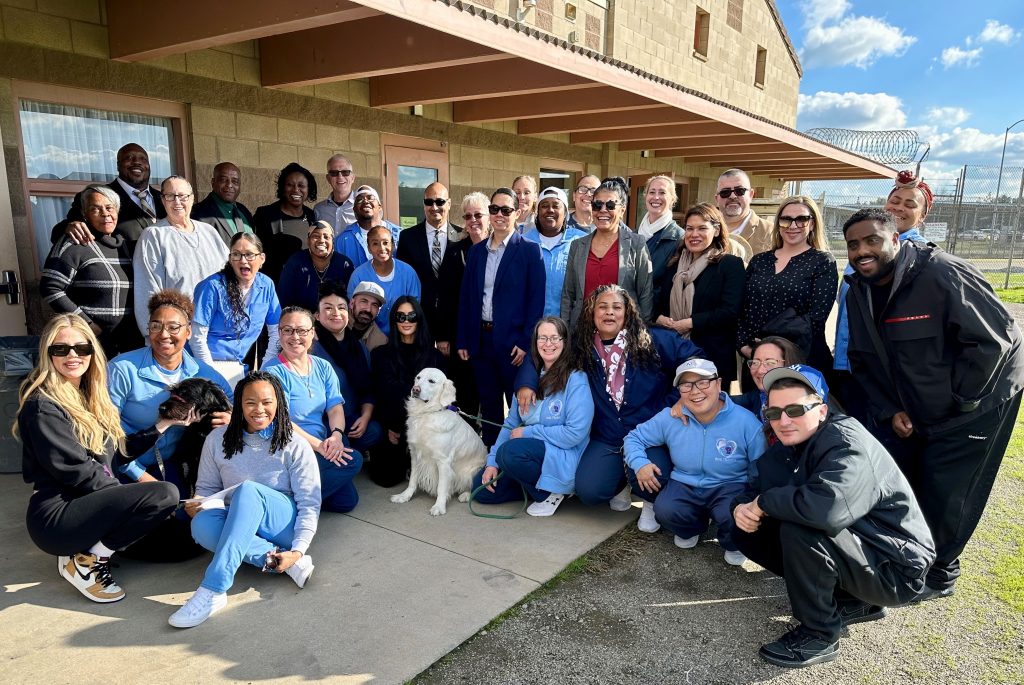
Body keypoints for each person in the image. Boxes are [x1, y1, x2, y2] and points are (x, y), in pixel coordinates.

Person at [844, 207, 1024, 601]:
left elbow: (993, 343)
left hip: (977, 402)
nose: (862, 251)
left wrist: (955, 406)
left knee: (950, 488)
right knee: (909, 479)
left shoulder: (942, 273)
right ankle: (911, 554)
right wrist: (893, 409)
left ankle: (941, 572)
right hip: (915, 405)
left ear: (895, 238)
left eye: (872, 240)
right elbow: (863, 358)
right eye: (854, 245)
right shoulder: (859, 289)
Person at [731, 365, 935, 668]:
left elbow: (826, 510)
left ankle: (820, 633)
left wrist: (763, 502)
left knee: (800, 527)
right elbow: (753, 489)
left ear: (822, 410)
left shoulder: (847, 441)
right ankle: (856, 601)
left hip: (895, 567)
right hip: (863, 550)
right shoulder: (788, 448)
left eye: (795, 409)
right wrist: (742, 507)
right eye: (774, 413)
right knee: (749, 529)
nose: (783, 421)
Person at [17, 314, 179, 603]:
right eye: (61, 349)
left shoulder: (87, 395)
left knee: (180, 544)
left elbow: (115, 452)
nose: (72, 356)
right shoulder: (42, 406)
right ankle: (86, 562)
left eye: (82, 348)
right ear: (48, 353)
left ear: (92, 352)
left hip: (92, 505)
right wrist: (132, 499)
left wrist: (163, 424)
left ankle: (88, 550)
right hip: (59, 515)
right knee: (165, 494)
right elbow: (77, 473)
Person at [519, 285, 702, 531]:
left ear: (627, 312)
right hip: (607, 435)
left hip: (649, 434)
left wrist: (683, 395)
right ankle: (622, 481)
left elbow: (695, 358)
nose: (609, 313)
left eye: (617, 307)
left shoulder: (652, 338)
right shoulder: (583, 345)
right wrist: (526, 383)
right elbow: (544, 354)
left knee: (656, 478)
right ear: (592, 312)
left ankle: (648, 500)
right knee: (590, 491)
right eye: (602, 307)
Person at [168, 372, 321, 628]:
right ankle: (275, 560)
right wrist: (199, 503)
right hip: (237, 515)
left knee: (248, 490)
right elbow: (207, 487)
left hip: (282, 521)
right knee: (201, 526)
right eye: (250, 402)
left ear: (278, 403)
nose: (258, 409)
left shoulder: (295, 443)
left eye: (266, 402)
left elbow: (309, 502)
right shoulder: (217, 439)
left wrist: (298, 548)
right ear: (238, 404)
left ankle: (213, 589)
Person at [624, 358, 764, 564]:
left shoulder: (746, 421)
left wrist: (756, 499)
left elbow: (760, 464)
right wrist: (640, 463)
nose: (695, 391)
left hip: (730, 484)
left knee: (736, 514)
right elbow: (633, 437)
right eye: (686, 385)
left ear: (718, 383)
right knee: (665, 509)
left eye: (703, 382)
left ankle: (733, 542)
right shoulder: (670, 417)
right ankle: (692, 528)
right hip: (685, 482)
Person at [832, 171, 933, 412]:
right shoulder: (865, 249)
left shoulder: (917, 257)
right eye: (895, 201)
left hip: (883, 371)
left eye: (910, 204)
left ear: (921, 217)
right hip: (849, 362)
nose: (899, 208)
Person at [473, 317, 594, 516]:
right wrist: (492, 462)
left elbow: (575, 433)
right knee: (482, 489)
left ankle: (550, 492)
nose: (548, 344)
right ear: (535, 342)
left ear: (565, 342)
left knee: (510, 453)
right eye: (542, 338)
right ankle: (533, 485)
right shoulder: (526, 381)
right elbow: (510, 424)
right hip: (529, 455)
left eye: (555, 338)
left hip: (561, 455)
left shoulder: (576, 380)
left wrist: (528, 432)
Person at [457, 187, 546, 446]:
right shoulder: (476, 252)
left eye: (506, 210)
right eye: (494, 209)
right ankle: (493, 460)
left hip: (512, 344)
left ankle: (515, 458)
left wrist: (525, 341)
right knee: (489, 405)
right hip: (481, 341)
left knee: (517, 407)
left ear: (517, 213)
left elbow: (535, 302)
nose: (499, 215)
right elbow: (467, 299)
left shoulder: (530, 251)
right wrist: (464, 338)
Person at [264, 307, 363, 513]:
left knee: (346, 501)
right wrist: (319, 446)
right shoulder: (272, 372)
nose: (295, 336)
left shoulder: (322, 366)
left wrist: (336, 436)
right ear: (279, 333)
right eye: (288, 330)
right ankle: (288, 507)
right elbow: (280, 422)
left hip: (321, 443)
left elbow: (335, 407)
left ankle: (297, 493)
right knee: (353, 461)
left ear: (312, 333)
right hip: (290, 448)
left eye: (302, 330)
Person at [736, 195, 837, 385]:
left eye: (801, 219)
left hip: (798, 358)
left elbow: (815, 318)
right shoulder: (760, 261)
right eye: (786, 219)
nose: (793, 225)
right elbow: (741, 308)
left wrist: (769, 347)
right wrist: (744, 346)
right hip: (756, 361)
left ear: (813, 224)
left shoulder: (822, 262)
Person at [41, 185, 142, 358]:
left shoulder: (125, 246)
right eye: (96, 209)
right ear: (84, 214)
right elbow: (50, 287)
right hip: (91, 343)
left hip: (129, 343)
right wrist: (86, 323)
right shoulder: (75, 243)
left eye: (110, 208)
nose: (105, 213)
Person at [656, 203, 745, 385]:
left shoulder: (730, 265)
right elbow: (658, 301)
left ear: (717, 230)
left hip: (711, 356)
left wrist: (690, 323)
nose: (694, 234)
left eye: (702, 228)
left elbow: (730, 312)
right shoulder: (674, 264)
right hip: (673, 352)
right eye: (689, 228)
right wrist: (659, 318)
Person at [132, 176, 228, 338]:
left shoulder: (209, 232)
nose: (177, 202)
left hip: (218, 331)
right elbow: (147, 292)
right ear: (162, 200)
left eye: (183, 196)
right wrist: (154, 337)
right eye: (170, 196)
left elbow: (231, 276)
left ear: (192, 199)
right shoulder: (153, 235)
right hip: (178, 335)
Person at [368, 297, 446, 487]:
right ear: (394, 320)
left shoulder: (434, 357)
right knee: (387, 478)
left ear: (419, 318)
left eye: (411, 316)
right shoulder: (380, 354)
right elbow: (383, 394)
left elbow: (440, 400)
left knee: (432, 482)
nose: (406, 321)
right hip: (392, 423)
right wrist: (389, 425)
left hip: (425, 427)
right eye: (400, 316)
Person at [561, 177, 653, 328]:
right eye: (597, 205)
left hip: (623, 333)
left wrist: (641, 330)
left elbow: (645, 294)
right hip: (582, 332)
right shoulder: (577, 246)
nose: (603, 210)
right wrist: (566, 331)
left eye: (610, 205)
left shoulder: (637, 244)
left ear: (622, 209)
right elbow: (568, 295)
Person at [191, 232, 281, 385]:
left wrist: (265, 369)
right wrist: (210, 375)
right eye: (236, 255)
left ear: (262, 258)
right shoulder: (212, 286)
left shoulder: (266, 284)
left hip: (238, 368)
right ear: (230, 259)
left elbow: (276, 331)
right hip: (205, 366)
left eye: (249, 255)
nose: (243, 260)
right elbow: (196, 337)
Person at [310, 281, 382, 453]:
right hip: (323, 420)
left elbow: (368, 390)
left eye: (341, 308)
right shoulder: (312, 346)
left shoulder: (358, 348)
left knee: (374, 431)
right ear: (317, 315)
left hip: (350, 417)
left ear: (348, 312)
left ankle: (346, 452)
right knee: (341, 449)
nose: (336, 313)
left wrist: (365, 417)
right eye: (328, 308)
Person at [395, 182, 463, 355]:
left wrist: (445, 333)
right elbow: (404, 284)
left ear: (448, 203)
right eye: (429, 202)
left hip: (453, 325)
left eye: (440, 202)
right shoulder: (407, 237)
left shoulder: (463, 237)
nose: (434, 207)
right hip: (419, 323)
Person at [54, 142, 164, 248]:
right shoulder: (97, 196)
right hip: (121, 266)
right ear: (118, 165)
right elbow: (59, 232)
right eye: (129, 158)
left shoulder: (165, 198)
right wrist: (70, 226)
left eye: (143, 159)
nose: (137, 162)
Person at [522, 187, 586, 317]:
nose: (550, 210)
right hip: (532, 325)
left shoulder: (580, 242)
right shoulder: (523, 243)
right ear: (537, 212)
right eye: (544, 206)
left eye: (556, 206)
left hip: (569, 325)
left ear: (566, 213)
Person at [347, 225, 421, 336]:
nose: (382, 248)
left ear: (393, 245)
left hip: (403, 336)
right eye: (375, 243)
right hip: (368, 337)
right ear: (369, 248)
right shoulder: (359, 275)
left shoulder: (408, 273)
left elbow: (414, 307)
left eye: (386, 243)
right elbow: (352, 309)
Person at [252, 162, 318, 281]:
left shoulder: (311, 215)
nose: (296, 190)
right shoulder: (266, 215)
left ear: (308, 189)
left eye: (301, 185)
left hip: (305, 283)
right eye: (290, 185)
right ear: (282, 188)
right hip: (275, 284)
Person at [277, 221, 355, 311]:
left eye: (326, 237)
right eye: (316, 236)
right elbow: (283, 299)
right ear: (308, 241)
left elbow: (350, 300)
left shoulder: (344, 264)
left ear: (332, 241)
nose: (321, 240)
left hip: (334, 319)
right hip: (303, 320)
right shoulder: (295, 262)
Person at [729, 335, 805, 421]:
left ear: (789, 364)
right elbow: (722, 401)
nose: (760, 370)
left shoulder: (805, 403)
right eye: (755, 362)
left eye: (770, 362)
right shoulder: (758, 396)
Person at [637, 175, 684, 312]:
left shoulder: (679, 239)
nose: (656, 197)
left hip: (658, 317)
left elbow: (671, 286)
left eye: (662, 192)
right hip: (631, 312)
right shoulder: (633, 235)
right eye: (652, 192)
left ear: (672, 199)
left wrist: (653, 315)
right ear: (646, 197)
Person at [335, 186, 402, 268]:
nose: (366, 201)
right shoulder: (342, 241)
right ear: (354, 209)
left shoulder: (399, 235)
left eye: (370, 198)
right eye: (360, 200)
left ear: (379, 206)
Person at [190, 162, 255, 246]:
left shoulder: (244, 211)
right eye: (223, 180)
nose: (229, 185)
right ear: (213, 182)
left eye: (235, 181)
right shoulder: (197, 214)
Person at [714, 168, 772, 258]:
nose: (733, 196)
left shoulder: (772, 233)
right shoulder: (704, 231)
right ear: (717, 198)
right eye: (725, 192)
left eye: (740, 191)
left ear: (751, 195)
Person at [314, 154, 357, 232]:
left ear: (353, 178)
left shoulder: (363, 207)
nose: (340, 177)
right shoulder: (319, 210)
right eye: (334, 173)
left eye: (345, 172)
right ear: (328, 179)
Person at [348, 281, 389, 353]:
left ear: (378, 311)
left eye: (374, 305)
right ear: (352, 303)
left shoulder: (381, 341)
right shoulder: (336, 323)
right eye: (364, 301)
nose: (368, 309)